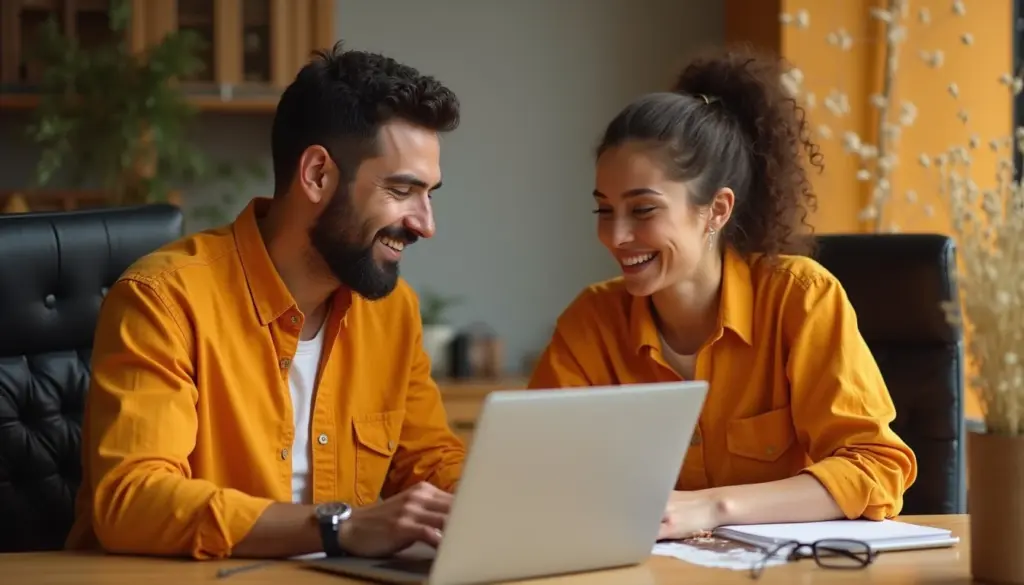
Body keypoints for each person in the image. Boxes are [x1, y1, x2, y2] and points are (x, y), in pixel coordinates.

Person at [66, 42, 466, 560]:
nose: (425, 225)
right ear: (317, 175)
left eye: (430, 194)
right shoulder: (163, 300)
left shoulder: (392, 310)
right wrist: (336, 527)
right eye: (401, 190)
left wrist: (494, 506)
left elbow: (430, 461)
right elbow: (131, 500)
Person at [527, 49, 918, 540]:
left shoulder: (800, 298)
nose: (616, 236)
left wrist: (714, 508)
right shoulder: (590, 323)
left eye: (643, 210)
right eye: (604, 211)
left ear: (716, 210)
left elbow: (874, 468)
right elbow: (533, 481)